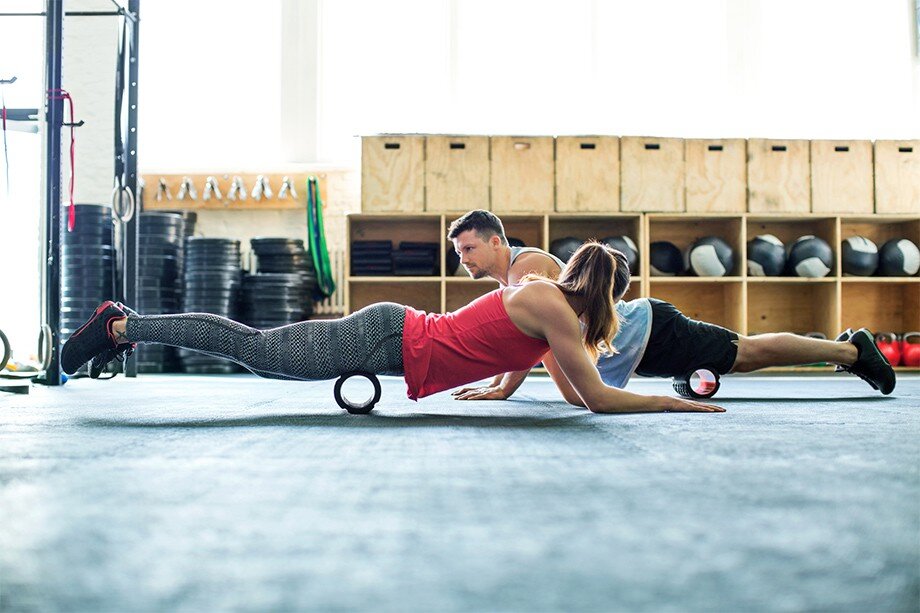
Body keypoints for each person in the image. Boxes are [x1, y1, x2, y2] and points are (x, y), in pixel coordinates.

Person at [60, 242, 726, 414]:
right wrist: (672, 401)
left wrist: (500, 388)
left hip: (395, 341)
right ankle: (123, 325)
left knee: (257, 349)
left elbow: (560, 375)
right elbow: (597, 397)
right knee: (256, 349)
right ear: (607, 294)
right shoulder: (553, 305)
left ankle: (125, 328)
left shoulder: (550, 307)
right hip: (388, 339)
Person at [446, 209, 896, 401]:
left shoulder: (531, 267)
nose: (463, 259)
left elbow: (543, 336)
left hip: (651, 333)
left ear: (495, 242)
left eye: (468, 249)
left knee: (747, 352)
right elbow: (532, 339)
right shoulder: (513, 276)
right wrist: (505, 385)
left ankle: (852, 351)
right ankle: (846, 351)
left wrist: (506, 387)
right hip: (640, 344)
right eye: (459, 252)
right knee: (744, 352)